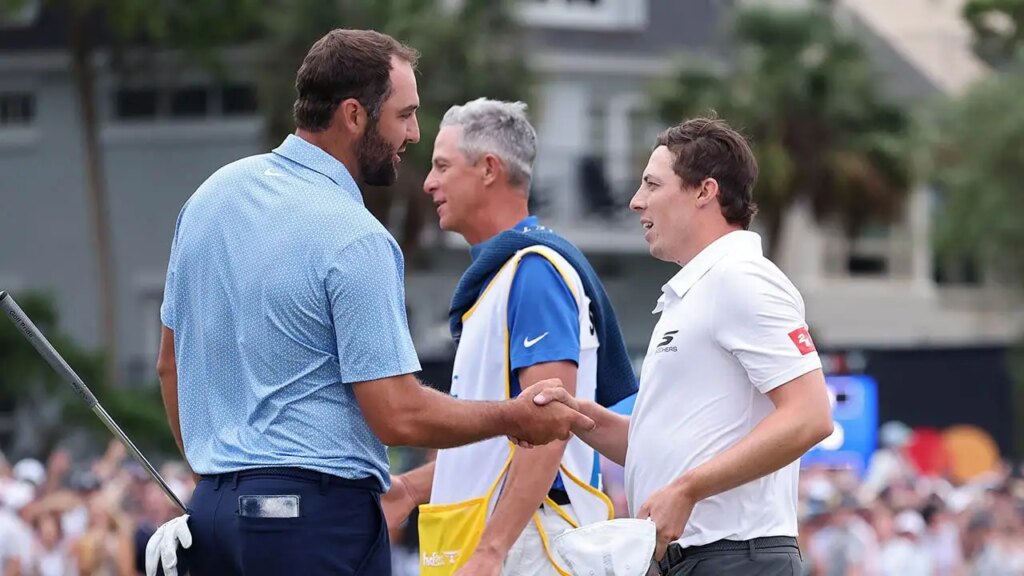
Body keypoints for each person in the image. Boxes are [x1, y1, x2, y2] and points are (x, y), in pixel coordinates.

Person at [146, 29, 592, 576]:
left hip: (211, 516)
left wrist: (217, 479)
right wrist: (512, 416)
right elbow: (397, 414)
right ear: (354, 115)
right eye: (405, 115)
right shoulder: (356, 236)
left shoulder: (209, 198)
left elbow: (170, 364)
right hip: (313, 526)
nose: (413, 133)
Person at [536, 116, 834, 575]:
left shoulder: (741, 278)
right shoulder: (697, 290)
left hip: (735, 560)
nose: (636, 201)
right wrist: (578, 418)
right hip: (701, 560)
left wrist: (689, 489)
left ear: (704, 191)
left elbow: (811, 415)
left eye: (652, 184)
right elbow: (664, 450)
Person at [382, 98, 638, 576]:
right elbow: (499, 448)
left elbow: (548, 428)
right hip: (511, 541)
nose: (429, 182)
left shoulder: (533, 272)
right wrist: (412, 489)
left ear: (488, 169)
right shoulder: (507, 274)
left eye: (442, 166)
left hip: (530, 544)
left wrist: (492, 549)